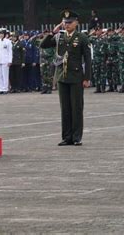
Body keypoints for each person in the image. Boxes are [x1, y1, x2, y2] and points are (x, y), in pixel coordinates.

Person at [40, 10, 92, 146]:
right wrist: (53, 32)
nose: (67, 25)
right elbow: (43, 45)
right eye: (65, 22)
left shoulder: (81, 37)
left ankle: (76, 137)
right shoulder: (59, 37)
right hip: (62, 76)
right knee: (65, 108)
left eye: (70, 22)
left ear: (76, 23)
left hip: (76, 77)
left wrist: (87, 78)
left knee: (76, 107)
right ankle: (66, 137)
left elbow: (87, 59)